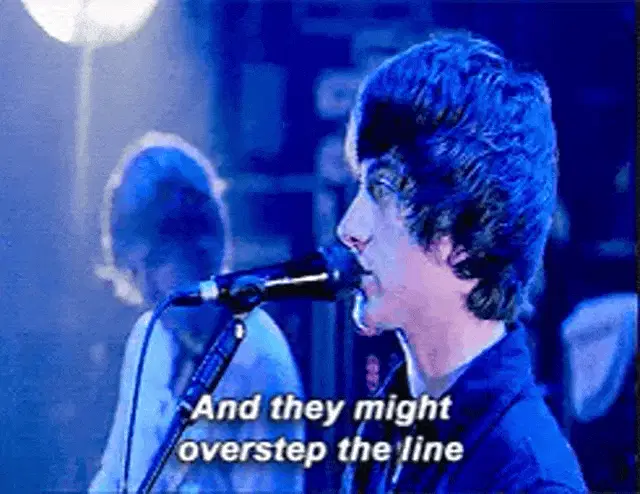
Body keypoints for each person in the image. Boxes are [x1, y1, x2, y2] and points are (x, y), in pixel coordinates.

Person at [336, 30, 587, 493]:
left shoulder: (530, 479)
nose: (349, 227)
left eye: (382, 190)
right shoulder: (385, 430)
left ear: (468, 233)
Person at [90, 132, 304, 493]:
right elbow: (115, 475)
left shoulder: (259, 358)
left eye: (157, 262)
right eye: (133, 270)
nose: (146, 288)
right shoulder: (148, 337)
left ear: (203, 246)